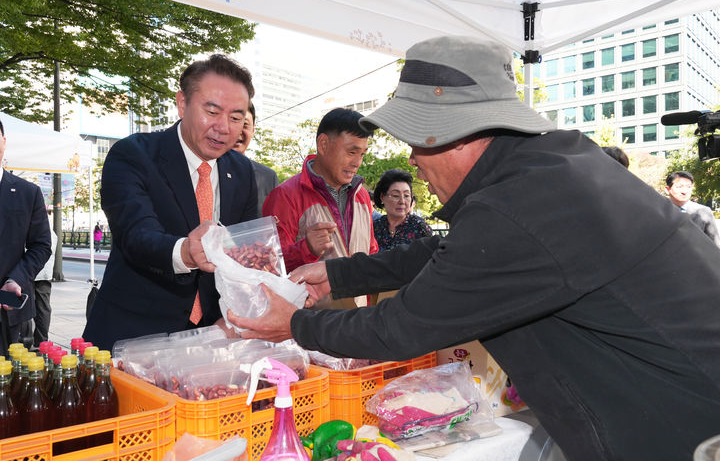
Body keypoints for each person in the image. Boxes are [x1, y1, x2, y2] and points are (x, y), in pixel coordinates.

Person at [230, 36, 720, 460]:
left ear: (457, 135)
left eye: (418, 142)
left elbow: (403, 327)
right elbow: (451, 252)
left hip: (686, 426)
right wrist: (339, 275)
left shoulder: (520, 205)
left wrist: (295, 325)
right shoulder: (548, 168)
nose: (413, 160)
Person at [82, 54, 258, 350]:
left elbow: (247, 250)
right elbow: (137, 236)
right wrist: (187, 252)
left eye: (236, 117)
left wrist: (237, 315)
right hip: (135, 335)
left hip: (211, 339)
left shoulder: (241, 171)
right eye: (212, 111)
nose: (225, 127)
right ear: (182, 103)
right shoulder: (133, 155)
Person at [262, 107, 378, 309]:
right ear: (323, 144)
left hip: (359, 323)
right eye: (351, 152)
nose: (357, 162)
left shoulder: (362, 197)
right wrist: (306, 249)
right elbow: (268, 270)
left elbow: (371, 254)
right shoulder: (285, 196)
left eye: (362, 154)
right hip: (307, 327)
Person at [0, 118, 52, 353]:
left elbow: (41, 245)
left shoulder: (27, 192)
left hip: (9, 309)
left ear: (4, 141)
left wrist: (16, 280)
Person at [232, 103, 279, 217]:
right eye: (234, 121)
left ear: (253, 130)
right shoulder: (204, 168)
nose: (239, 131)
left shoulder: (268, 177)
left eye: (245, 124)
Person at [372, 169, 432, 251]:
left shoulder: (419, 227)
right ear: (382, 197)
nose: (402, 201)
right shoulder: (375, 227)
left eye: (406, 195)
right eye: (396, 195)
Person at [665, 170, 720, 248]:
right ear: (668, 190)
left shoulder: (704, 212)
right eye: (679, 187)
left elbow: (714, 244)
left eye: (689, 187)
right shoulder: (660, 211)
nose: (684, 191)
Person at [33, 216, 57, 348]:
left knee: (24, 305)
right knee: (43, 307)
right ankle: (42, 341)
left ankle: (26, 340)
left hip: (29, 271)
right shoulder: (48, 226)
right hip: (44, 272)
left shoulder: (30, 219)